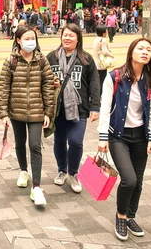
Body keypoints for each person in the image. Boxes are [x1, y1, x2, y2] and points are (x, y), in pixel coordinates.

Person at [97, 38, 151, 241]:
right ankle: (121, 216)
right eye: (140, 48)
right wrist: (102, 137)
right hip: (118, 136)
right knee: (129, 179)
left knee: (138, 181)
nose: (145, 52)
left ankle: (131, 216)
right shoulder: (114, 76)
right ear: (131, 52)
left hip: (140, 136)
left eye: (148, 50)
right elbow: (105, 107)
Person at [0, 25, 54, 206]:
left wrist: (48, 112)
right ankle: (23, 170)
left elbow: (48, 86)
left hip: (37, 111)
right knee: (20, 142)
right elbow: (3, 88)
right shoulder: (11, 61)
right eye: (27, 39)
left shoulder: (42, 60)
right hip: (17, 111)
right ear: (18, 40)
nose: (31, 42)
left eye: (33, 38)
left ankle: (36, 187)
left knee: (35, 145)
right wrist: (3, 113)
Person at [47, 23, 100, 194]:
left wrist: (95, 107)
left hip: (79, 109)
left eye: (71, 35)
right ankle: (62, 170)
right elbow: (44, 81)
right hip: (58, 109)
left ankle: (73, 173)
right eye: (64, 35)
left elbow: (94, 84)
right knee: (59, 142)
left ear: (78, 39)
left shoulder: (86, 59)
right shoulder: (52, 57)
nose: (67, 38)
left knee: (76, 142)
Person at [92, 26, 114, 91]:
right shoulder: (103, 40)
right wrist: (111, 55)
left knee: (97, 80)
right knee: (102, 80)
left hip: (95, 62)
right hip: (101, 64)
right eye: (106, 31)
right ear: (103, 32)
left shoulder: (96, 40)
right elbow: (105, 52)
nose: (107, 32)